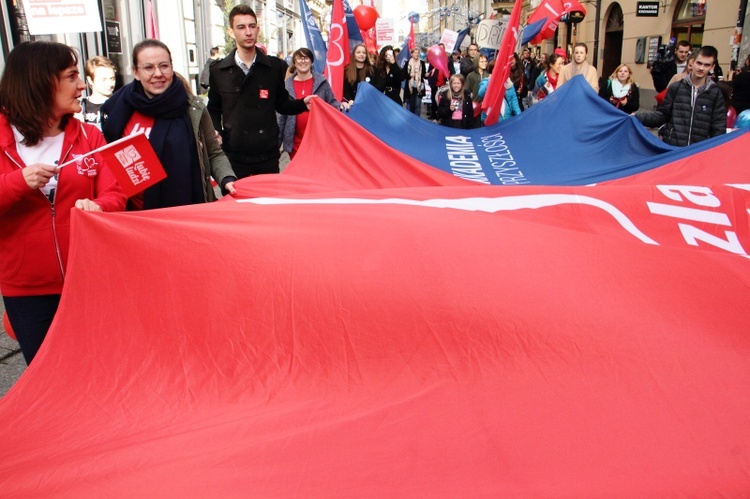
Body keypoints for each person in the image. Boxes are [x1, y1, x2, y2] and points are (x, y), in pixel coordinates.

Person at [0, 41, 127, 364]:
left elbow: (115, 193)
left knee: (98, 370)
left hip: (88, 279)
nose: (82, 84)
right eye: (71, 76)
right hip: (27, 289)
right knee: (45, 380)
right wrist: (18, 183)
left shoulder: (89, 137)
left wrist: (100, 207)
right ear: (40, 82)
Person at [101, 39, 237, 209]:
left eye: (164, 66)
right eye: (148, 67)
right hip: (134, 215)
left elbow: (214, 153)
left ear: (171, 68)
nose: (158, 73)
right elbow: (106, 165)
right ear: (135, 72)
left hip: (185, 210)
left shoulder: (192, 108)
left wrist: (227, 179)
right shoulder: (117, 109)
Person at [207, 5, 314, 178]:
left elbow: (282, 104)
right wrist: (215, 130)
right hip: (235, 157)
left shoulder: (274, 67)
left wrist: (303, 103)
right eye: (241, 27)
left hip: (267, 156)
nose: (248, 32)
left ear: (257, 29)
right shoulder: (219, 71)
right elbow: (214, 108)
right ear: (231, 32)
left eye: (252, 26)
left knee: (268, 204)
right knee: (236, 204)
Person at [636, 46, 726, 146]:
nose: (701, 68)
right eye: (699, 63)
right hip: (674, 148)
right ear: (692, 62)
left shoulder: (715, 93)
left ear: (712, 67)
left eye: (706, 65)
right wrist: (637, 117)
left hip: (699, 152)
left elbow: (719, 127)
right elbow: (662, 115)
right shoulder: (676, 88)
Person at [278, 48, 346, 158]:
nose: (303, 61)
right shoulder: (286, 86)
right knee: (298, 173)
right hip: (296, 142)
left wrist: (341, 106)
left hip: (319, 139)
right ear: (294, 62)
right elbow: (281, 116)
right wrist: (277, 143)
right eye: (299, 58)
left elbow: (332, 103)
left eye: (306, 58)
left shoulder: (322, 82)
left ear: (311, 61)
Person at [79, 56, 116, 129]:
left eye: (112, 79)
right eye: (104, 79)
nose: (110, 84)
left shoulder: (120, 104)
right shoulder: (81, 107)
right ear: (90, 80)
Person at [403, 47, 426, 116]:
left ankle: (417, 120)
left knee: (418, 105)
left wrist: (426, 75)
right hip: (410, 87)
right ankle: (411, 119)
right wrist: (410, 75)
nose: (417, 54)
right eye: (415, 53)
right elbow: (405, 75)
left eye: (418, 53)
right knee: (411, 105)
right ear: (412, 54)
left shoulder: (422, 63)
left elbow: (423, 75)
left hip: (418, 87)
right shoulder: (407, 63)